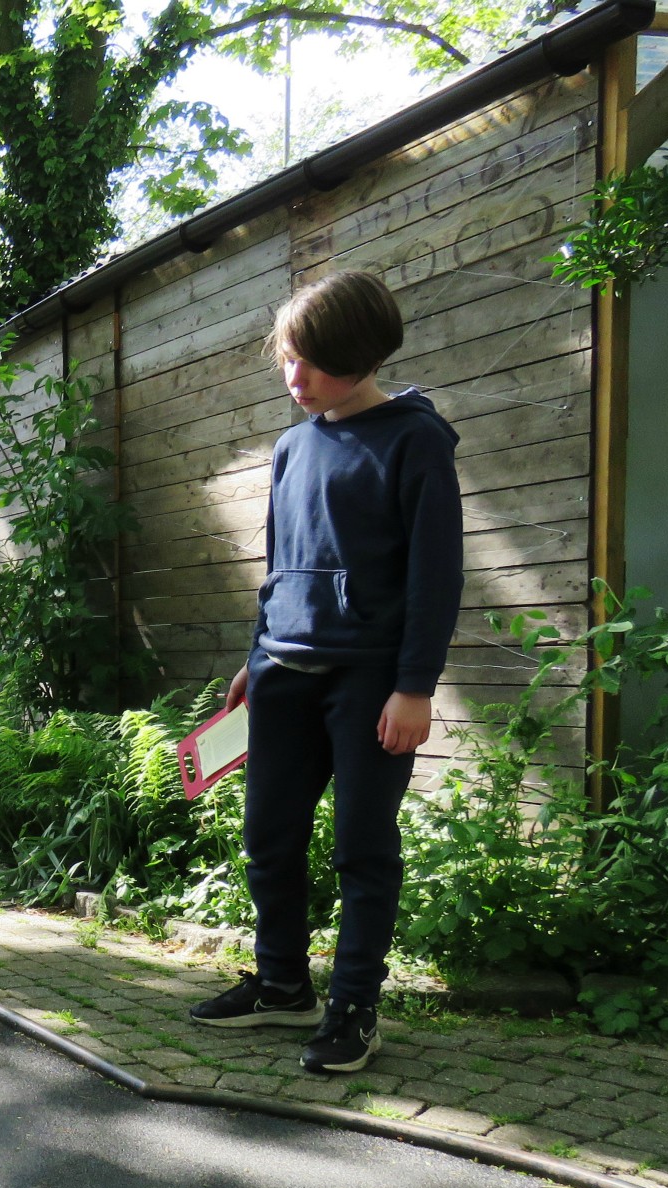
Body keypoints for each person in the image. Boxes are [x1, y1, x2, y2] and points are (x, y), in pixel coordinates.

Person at [188, 269, 463, 1075]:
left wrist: (415, 686)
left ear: (362, 356)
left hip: (371, 683)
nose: (294, 378)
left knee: (360, 845)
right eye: (286, 359)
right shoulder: (291, 446)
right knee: (268, 834)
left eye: (311, 363)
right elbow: (279, 565)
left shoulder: (415, 440)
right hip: (282, 672)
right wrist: (254, 657)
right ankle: (282, 985)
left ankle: (353, 1004)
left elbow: (436, 574)